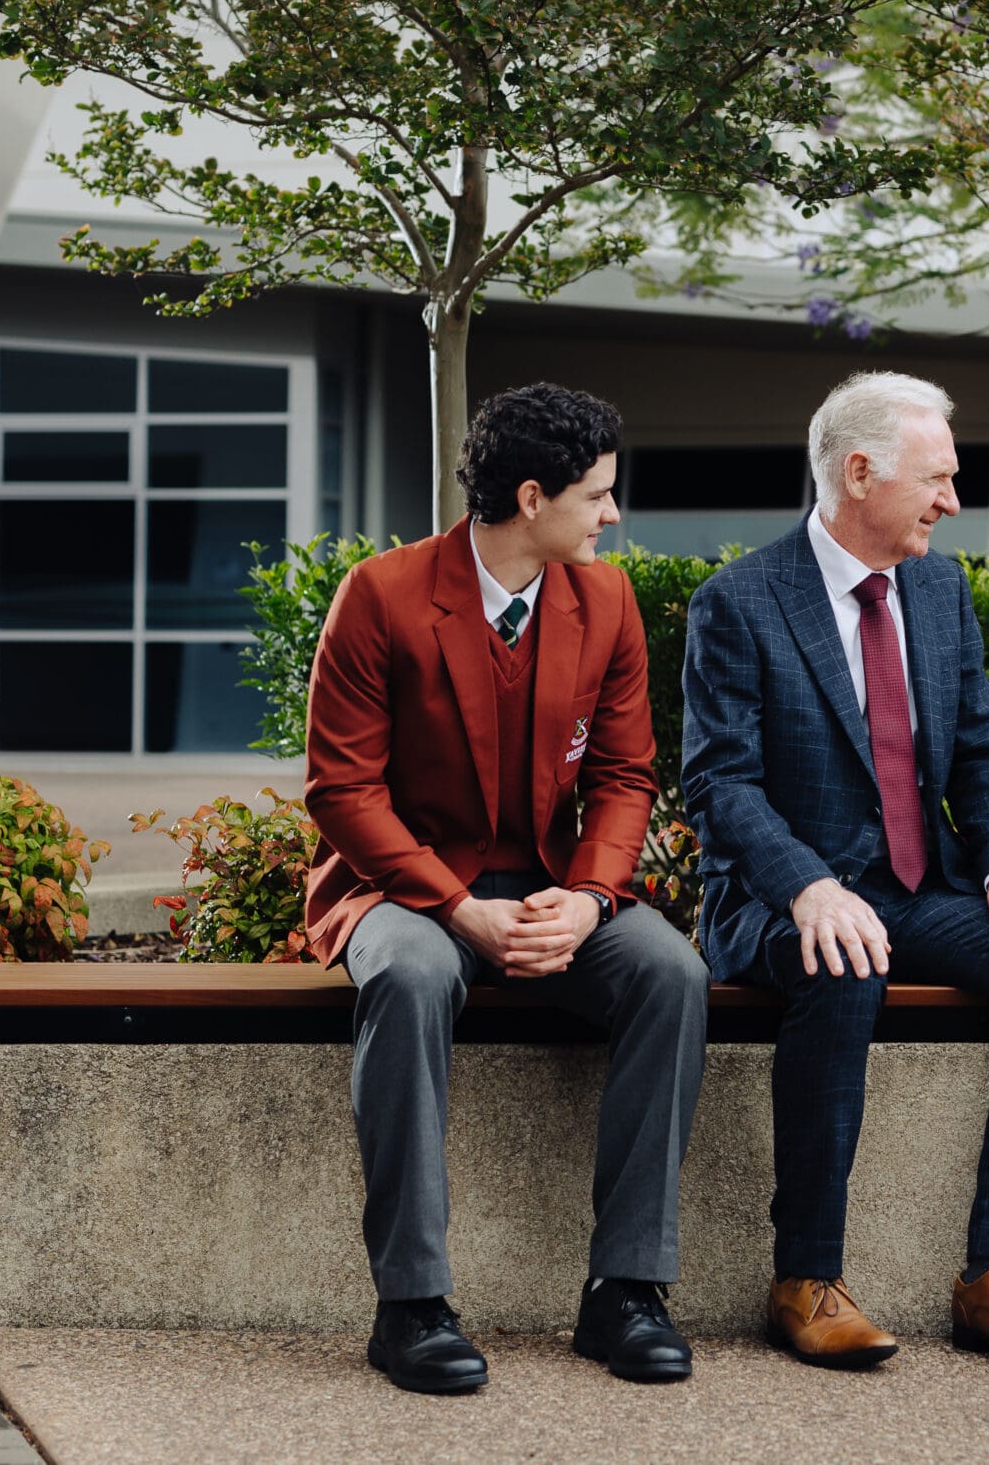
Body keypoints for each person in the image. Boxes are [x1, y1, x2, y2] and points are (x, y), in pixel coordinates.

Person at [681, 371, 989, 1373]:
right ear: (860, 472)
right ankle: (805, 1279)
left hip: (924, 890)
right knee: (842, 961)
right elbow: (721, 785)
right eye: (938, 479)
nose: (951, 502)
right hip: (780, 901)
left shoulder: (937, 587)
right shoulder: (738, 601)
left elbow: (977, 752)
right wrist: (809, 885)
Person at [304, 382, 710, 1394]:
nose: (612, 516)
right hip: (403, 891)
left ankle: (626, 1290)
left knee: (670, 973)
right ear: (533, 497)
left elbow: (623, 777)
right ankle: (411, 1306)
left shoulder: (606, 600)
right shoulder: (382, 593)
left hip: (547, 886)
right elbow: (341, 790)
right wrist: (456, 908)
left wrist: (587, 898)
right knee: (404, 980)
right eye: (598, 496)